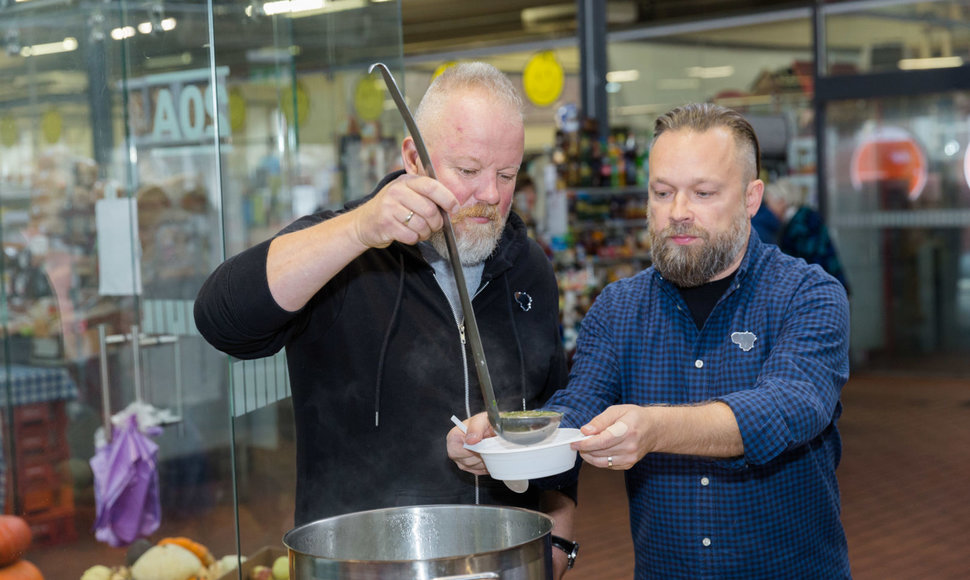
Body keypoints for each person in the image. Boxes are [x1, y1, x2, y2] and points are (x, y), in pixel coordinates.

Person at [194, 63, 577, 575]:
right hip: (358, 562)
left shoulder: (529, 270)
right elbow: (222, 319)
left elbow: (555, 416)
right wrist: (359, 230)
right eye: (466, 170)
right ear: (413, 158)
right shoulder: (345, 248)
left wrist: (559, 546)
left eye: (506, 175)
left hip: (501, 562)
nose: (490, 195)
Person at [450, 103, 851, 578]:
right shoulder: (619, 308)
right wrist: (506, 439)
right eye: (662, 193)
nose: (678, 213)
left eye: (703, 193)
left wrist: (658, 427)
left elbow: (789, 406)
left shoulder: (809, 294)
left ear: (751, 197)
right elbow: (578, 411)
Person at [764, 177, 851, 294]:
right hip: (831, 286)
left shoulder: (800, 225)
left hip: (825, 291)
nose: (769, 209)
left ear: (782, 201)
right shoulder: (803, 218)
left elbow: (809, 263)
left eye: (769, 204)